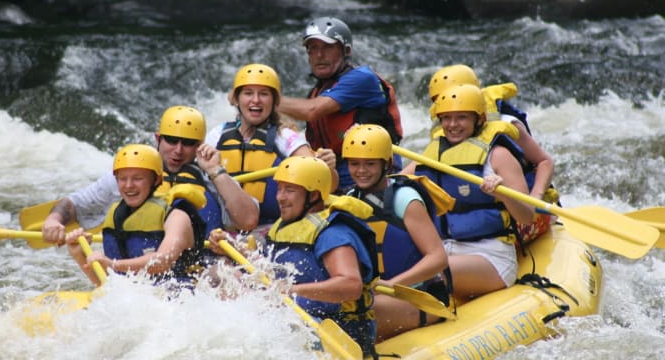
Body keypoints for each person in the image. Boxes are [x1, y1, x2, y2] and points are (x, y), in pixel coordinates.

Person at [208, 156, 380, 357]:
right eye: (279, 189)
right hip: (299, 321)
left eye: (289, 191)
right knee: (224, 282)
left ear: (314, 196)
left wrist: (292, 290)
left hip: (338, 330)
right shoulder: (287, 225)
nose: (280, 197)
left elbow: (351, 285)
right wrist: (235, 249)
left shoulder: (333, 234)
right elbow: (273, 270)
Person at [42, 105, 259, 245]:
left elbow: (248, 220)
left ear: (200, 146)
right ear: (158, 139)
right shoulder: (133, 176)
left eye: (188, 143)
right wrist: (53, 219)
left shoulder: (210, 177)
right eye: (171, 141)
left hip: (199, 271)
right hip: (142, 270)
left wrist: (215, 171)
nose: (178, 150)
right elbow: (74, 203)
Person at [402, 84, 535, 305]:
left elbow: (527, 216)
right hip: (442, 249)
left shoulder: (499, 156)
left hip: (490, 255)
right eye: (446, 118)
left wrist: (504, 195)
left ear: (479, 119)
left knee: (429, 271)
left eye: (461, 118)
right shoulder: (432, 154)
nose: (453, 125)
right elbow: (393, 184)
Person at [341, 124, 453, 341]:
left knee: (357, 315)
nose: (361, 170)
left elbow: (438, 257)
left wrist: (392, 285)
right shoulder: (350, 200)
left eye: (370, 164)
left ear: (386, 163)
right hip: (377, 295)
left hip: (421, 297)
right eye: (354, 164)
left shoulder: (405, 199)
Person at [428, 64, 557, 246]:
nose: (444, 103)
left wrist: (535, 196)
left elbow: (545, 161)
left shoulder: (505, 123)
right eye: (437, 101)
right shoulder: (447, 130)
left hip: (522, 202)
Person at [205, 63, 337, 240]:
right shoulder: (217, 135)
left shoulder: (285, 138)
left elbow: (326, 183)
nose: (256, 100)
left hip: (272, 232)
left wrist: (328, 168)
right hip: (222, 236)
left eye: (264, 94)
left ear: (275, 101)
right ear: (236, 99)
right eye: (248, 93)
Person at [278, 16, 404, 192]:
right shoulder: (317, 92)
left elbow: (311, 111)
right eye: (313, 48)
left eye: (327, 47)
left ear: (346, 50)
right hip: (335, 174)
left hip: (373, 174)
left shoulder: (362, 78)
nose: (319, 55)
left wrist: (264, 97)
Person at [65, 144, 207, 286]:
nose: (128, 185)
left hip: (181, 297)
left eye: (137, 178)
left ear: (156, 180)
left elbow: (164, 260)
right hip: (140, 300)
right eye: (122, 179)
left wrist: (113, 264)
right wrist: (79, 254)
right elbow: (108, 285)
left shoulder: (177, 215)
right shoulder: (117, 216)